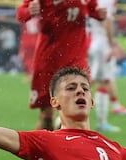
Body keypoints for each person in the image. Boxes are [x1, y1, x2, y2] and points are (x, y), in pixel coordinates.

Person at [16, 0, 107, 131]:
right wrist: (28, 11)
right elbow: (21, 14)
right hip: (49, 59)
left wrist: (99, 14)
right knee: (46, 117)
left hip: (76, 57)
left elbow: (92, 9)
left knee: (76, 115)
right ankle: (43, 146)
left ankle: (67, 142)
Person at [88, 0, 126, 133]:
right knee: (101, 82)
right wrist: (112, 46)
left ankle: (67, 112)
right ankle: (101, 122)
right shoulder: (107, 1)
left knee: (94, 80)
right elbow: (107, 23)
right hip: (102, 45)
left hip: (93, 41)